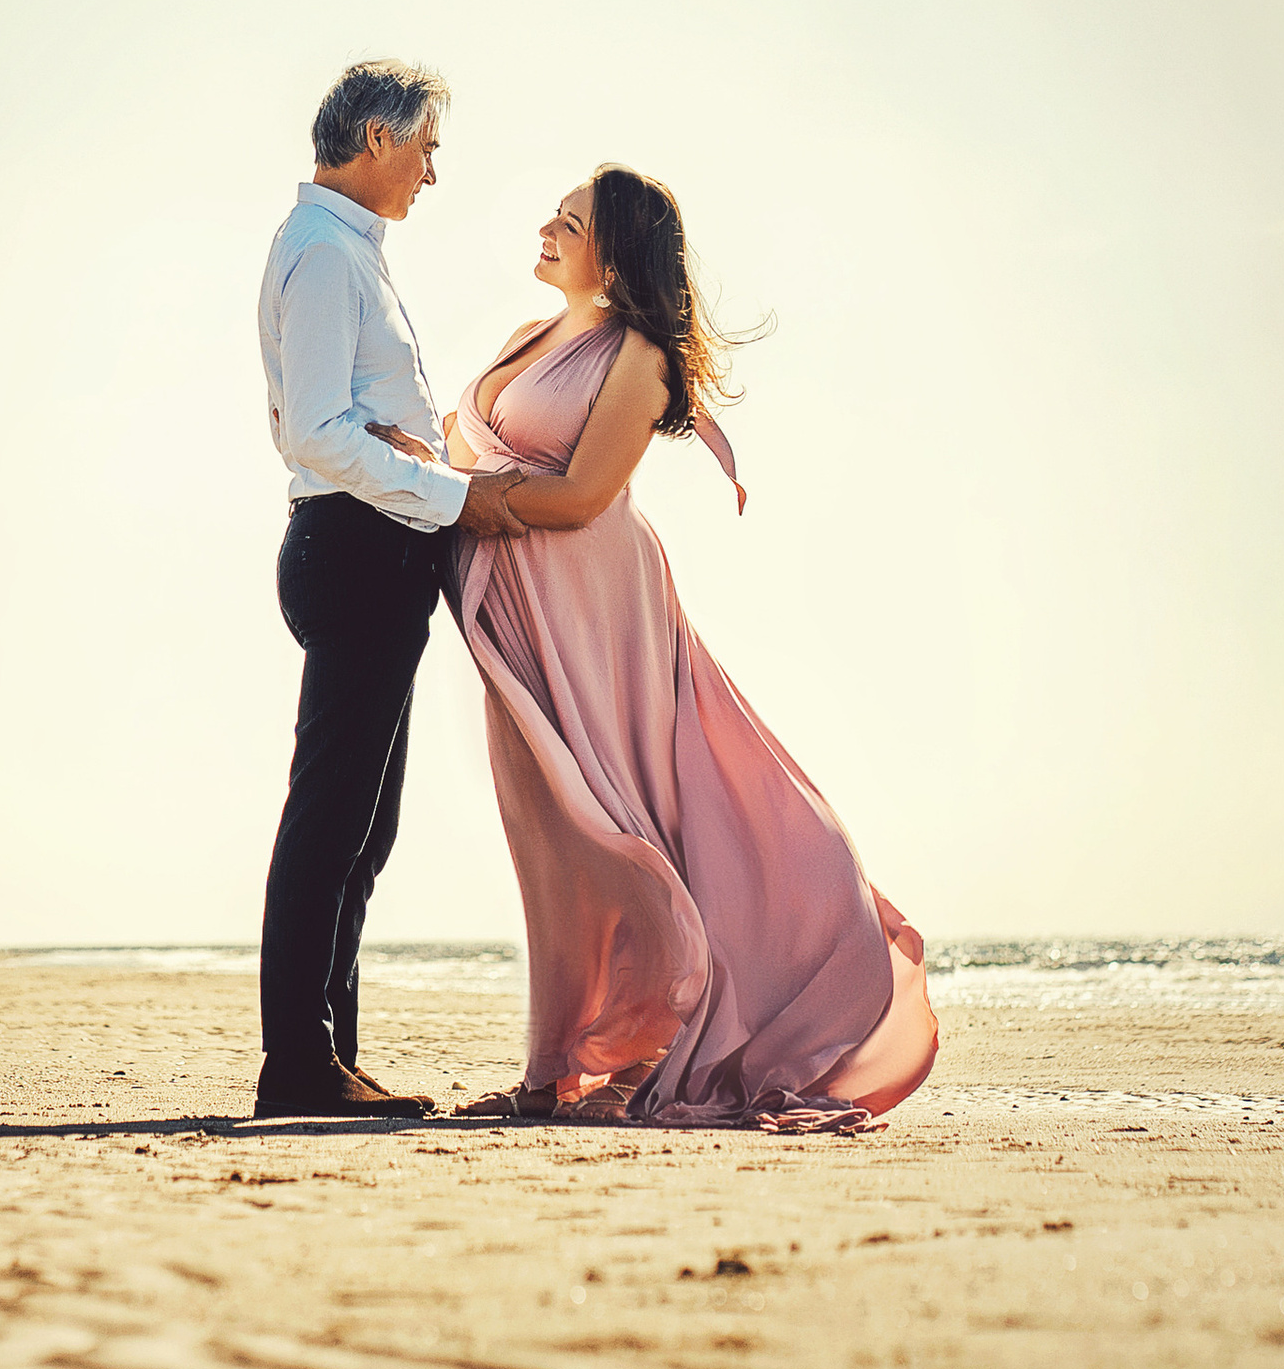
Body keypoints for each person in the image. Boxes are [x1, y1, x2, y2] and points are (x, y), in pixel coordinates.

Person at [422, 166, 937, 1130]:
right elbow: (468, 451)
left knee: (618, 815)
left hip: (595, 606)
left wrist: (458, 499)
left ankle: (657, 1041)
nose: (545, 229)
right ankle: (552, 1071)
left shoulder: (640, 356)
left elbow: (581, 496)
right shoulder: (528, 335)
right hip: (515, 604)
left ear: (615, 257)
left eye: (569, 223)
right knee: (546, 833)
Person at [255, 59, 525, 1121]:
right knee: (332, 822)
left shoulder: (340, 248)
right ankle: (297, 1065)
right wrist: (457, 495)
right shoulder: (326, 253)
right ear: (377, 136)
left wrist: (417, 459)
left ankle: (330, 1056)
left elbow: (320, 421)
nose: (431, 172)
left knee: (363, 831)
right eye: (425, 149)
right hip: (356, 549)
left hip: (367, 546)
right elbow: (318, 434)